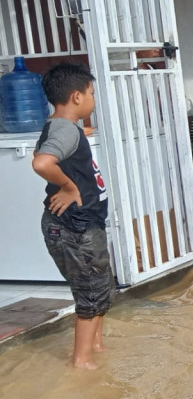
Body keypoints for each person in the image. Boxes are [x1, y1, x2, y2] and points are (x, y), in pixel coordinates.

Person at [32, 63, 111, 370]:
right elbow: (42, 163)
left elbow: (63, 143)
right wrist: (67, 185)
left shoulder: (66, 127)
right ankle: (83, 363)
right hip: (73, 229)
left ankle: (97, 346)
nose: (93, 98)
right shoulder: (65, 130)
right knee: (90, 292)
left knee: (101, 286)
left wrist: (82, 133)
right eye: (91, 93)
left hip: (84, 225)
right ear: (77, 96)